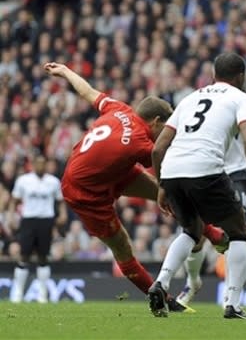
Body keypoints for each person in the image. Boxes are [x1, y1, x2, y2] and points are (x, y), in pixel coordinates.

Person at [43, 62, 226, 305]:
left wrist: (66, 72)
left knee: (170, 197)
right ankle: (162, 299)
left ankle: (215, 235)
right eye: (166, 127)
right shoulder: (141, 142)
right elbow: (172, 164)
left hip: (109, 172)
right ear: (156, 121)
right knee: (122, 246)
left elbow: (87, 92)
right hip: (84, 193)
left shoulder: (118, 108)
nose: (167, 134)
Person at [150, 52, 246, 319]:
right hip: (205, 169)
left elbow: (158, 149)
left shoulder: (188, 99)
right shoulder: (244, 99)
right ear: (241, 76)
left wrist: (161, 186)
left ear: (214, 74)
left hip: (172, 170)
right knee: (239, 231)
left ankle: (161, 283)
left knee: (192, 230)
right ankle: (233, 304)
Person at [173, 86, 246, 311]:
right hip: (205, 169)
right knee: (195, 232)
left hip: (237, 173)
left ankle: (231, 297)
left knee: (236, 232)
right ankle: (192, 282)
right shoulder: (200, 101)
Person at [8, 155, 68, 303]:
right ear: (33, 164)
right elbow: (14, 201)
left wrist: (63, 214)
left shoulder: (53, 182)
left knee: (43, 256)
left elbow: (60, 201)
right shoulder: (24, 180)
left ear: (46, 165)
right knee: (24, 256)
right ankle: (18, 293)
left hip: (46, 220)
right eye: (38, 163)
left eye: (43, 163)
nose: (40, 166)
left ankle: (42, 295)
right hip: (28, 220)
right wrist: (11, 216)